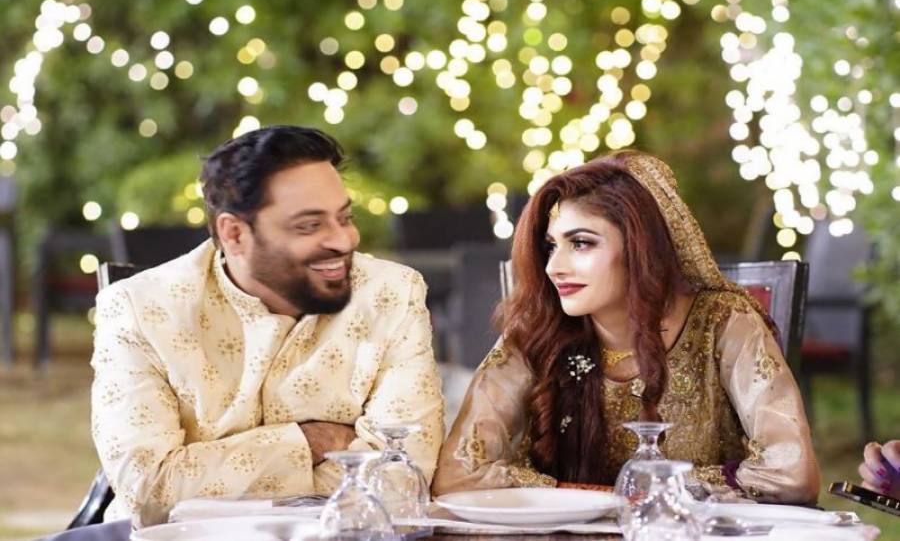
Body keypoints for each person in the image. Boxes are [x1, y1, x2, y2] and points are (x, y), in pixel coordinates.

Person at [91, 125, 444, 527]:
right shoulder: (140, 308)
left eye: (345, 217)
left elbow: (401, 482)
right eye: (309, 226)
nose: (343, 240)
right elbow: (147, 490)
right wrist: (311, 442)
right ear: (235, 234)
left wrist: (214, 472)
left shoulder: (391, 293)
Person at [433, 150, 820, 504]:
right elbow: (457, 475)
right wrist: (595, 499)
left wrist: (642, 492)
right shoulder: (538, 332)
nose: (554, 267)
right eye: (551, 246)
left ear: (640, 247)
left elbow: (790, 473)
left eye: (581, 243)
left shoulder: (723, 322)